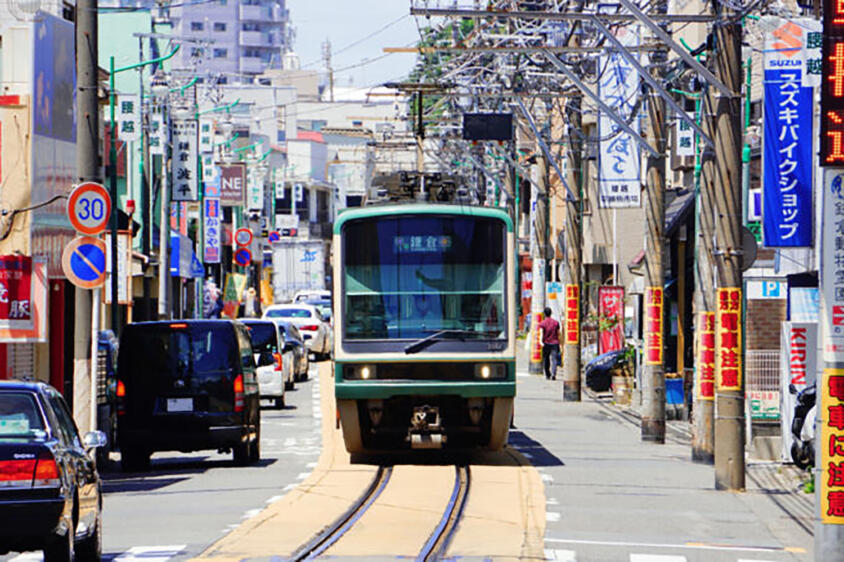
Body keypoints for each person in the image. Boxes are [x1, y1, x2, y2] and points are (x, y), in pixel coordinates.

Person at [538, 307, 561, 380]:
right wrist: (560, 343)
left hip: (546, 343)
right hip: (555, 343)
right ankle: (553, 373)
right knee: (554, 359)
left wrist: (540, 342)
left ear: (544, 314)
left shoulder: (543, 323)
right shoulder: (556, 322)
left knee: (546, 359)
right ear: (551, 313)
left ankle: (548, 374)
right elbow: (559, 333)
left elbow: (541, 333)